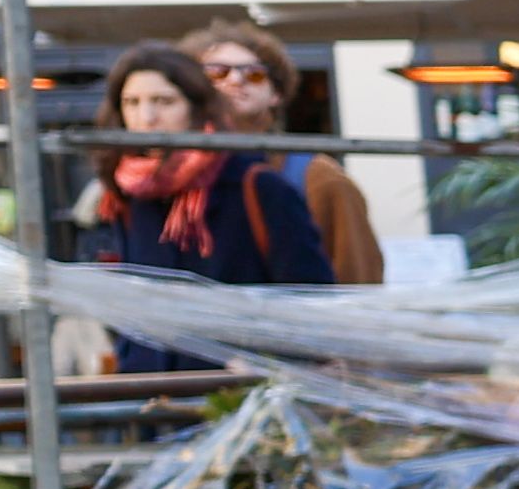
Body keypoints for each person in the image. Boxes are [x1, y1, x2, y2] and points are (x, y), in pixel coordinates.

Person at [79, 41, 333, 370]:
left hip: (236, 392)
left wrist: (269, 362)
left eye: (164, 101)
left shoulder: (255, 185)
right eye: (132, 102)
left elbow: (312, 299)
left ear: (197, 108)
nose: (147, 117)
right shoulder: (126, 193)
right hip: (150, 400)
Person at [182, 20, 384, 285]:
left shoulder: (317, 177)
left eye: (254, 74)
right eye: (217, 73)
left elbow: (358, 282)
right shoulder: (166, 177)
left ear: (275, 93)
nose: (235, 79)